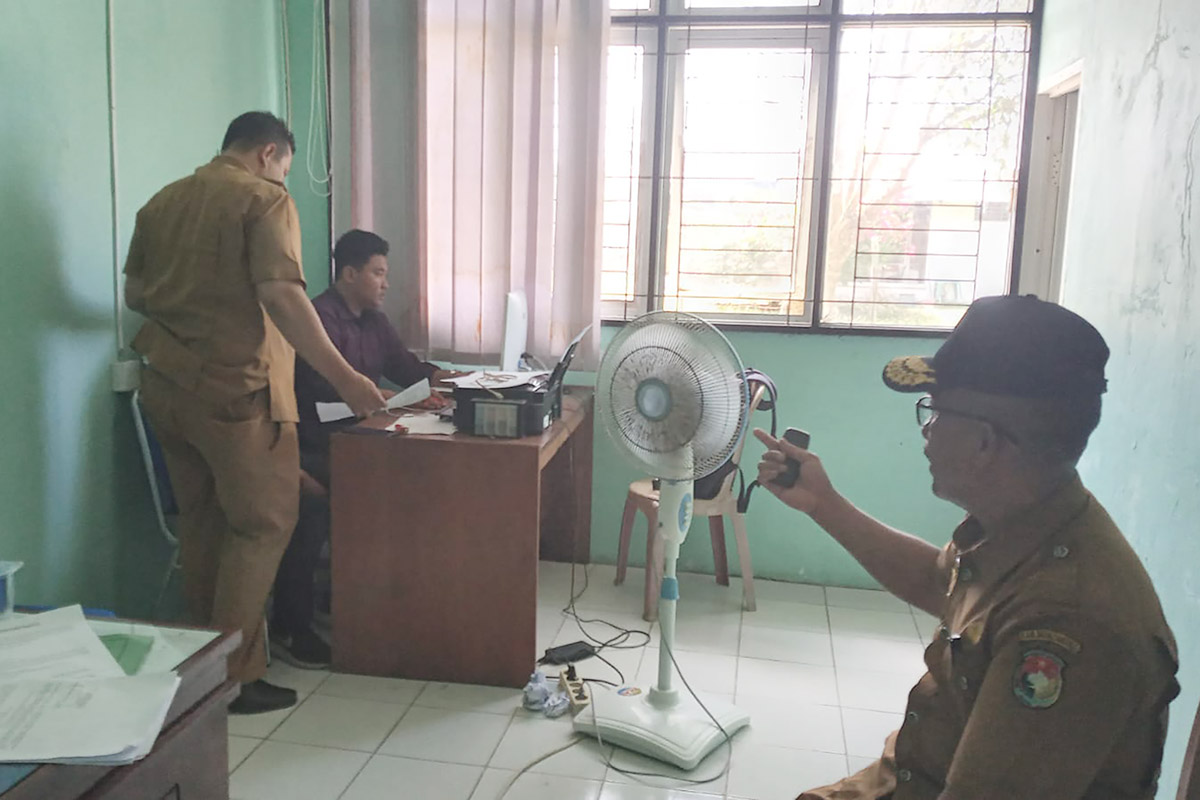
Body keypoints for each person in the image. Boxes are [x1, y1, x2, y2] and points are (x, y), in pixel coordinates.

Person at [755, 295, 1179, 799]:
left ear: (984, 442)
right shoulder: (1024, 527)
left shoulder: (1065, 623)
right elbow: (941, 583)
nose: (927, 428)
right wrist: (822, 502)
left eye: (935, 410)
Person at [124, 112, 387, 714]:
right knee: (265, 524)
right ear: (269, 154)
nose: (285, 180)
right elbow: (282, 295)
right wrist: (347, 380)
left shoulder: (162, 202)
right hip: (236, 393)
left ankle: (199, 671)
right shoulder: (264, 200)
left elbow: (136, 295)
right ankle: (233, 678)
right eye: (287, 169)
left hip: (165, 386)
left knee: (203, 525)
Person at [271, 228, 455, 668]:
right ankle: (291, 628)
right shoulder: (317, 320)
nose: (385, 283)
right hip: (314, 444)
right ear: (349, 274)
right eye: (377, 273)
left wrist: (446, 380)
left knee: (410, 485)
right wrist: (385, 402)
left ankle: (361, 601)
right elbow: (320, 399)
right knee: (324, 505)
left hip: (360, 441)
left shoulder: (374, 320)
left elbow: (404, 368)